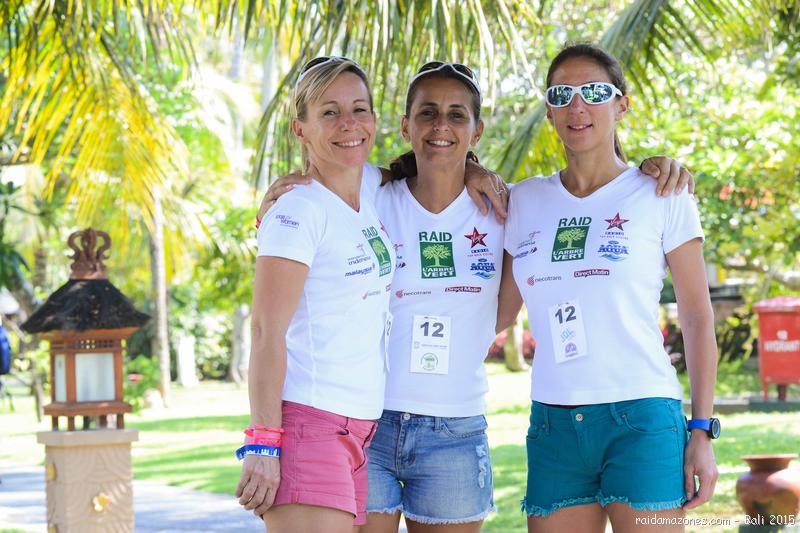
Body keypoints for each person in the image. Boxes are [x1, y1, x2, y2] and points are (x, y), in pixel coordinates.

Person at [259, 57, 694, 533]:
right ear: (405, 126)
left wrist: (655, 166)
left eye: (457, 115)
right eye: (427, 113)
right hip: (373, 422)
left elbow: (502, 312)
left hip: (456, 428)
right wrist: (279, 199)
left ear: (477, 130)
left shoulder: (503, 207)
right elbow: (319, 195)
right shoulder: (371, 193)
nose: (440, 126)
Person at [501, 43, 718, 533]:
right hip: (553, 424)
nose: (577, 106)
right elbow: (496, 313)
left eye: (595, 92)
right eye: (562, 95)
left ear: (622, 104)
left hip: (642, 418)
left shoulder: (662, 192)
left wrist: (702, 430)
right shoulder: (523, 201)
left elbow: (697, 317)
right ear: (549, 111)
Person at [235, 56, 395, 533]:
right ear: (299, 129)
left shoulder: (368, 189)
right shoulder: (298, 210)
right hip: (311, 424)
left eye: (359, 109)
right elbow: (264, 331)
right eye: (329, 112)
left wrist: (473, 170)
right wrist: (263, 442)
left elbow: (420, 169)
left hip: (359, 430)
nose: (349, 124)